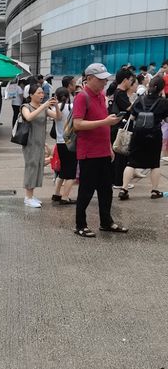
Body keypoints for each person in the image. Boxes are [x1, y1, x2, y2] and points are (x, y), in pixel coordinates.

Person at [72, 63, 127, 238]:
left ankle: (106, 222)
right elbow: (77, 124)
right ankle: (80, 224)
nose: (105, 82)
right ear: (89, 79)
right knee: (86, 191)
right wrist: (105, 122)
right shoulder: (82, 97)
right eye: (101, 79)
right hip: (89, 153)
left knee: (106, 190)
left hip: (103, 151)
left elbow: (103, 123)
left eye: (105, 78)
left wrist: (109, 147)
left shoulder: (101, 96)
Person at [119, 74, 168, 200]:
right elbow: (166, 119)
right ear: (161, 89)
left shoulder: (140, 99)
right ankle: (154, 190)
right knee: (154, 164)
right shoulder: (163, 102)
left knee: (131, 162)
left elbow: (133, 117)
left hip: (138, 134)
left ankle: (124, 189)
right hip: (154, 135)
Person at [20, 82, 59, 207]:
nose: (42, 95)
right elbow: (29, 117)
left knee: (38, 167)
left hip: (40, 142)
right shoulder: (25, 106)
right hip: (30, 142)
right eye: (39, 93)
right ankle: (28, 197)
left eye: (43, 93)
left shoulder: (44, 107)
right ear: (31, 95)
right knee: (31, 167)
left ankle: (31, 195)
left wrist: (56, 106)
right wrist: (44, 107)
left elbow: (58, 117)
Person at [109, 68, 134, 189]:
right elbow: (130, 109)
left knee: (119, 155)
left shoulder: (116, 92)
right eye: (130, 80)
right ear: (125, 80)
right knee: (120, 155)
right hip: (119, 128)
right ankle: (118, 181)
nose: (131, 83)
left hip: (116, 127)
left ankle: (117, 179)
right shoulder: (120, 93)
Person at [51, 87, 77, 204]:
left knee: (63, 170)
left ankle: (56, 194)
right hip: (71, 142)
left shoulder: (54, 108)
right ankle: (65, 197)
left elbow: (58, 117)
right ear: (68, 96)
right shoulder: (72, 108)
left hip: (60, 142)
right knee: (71, 172)